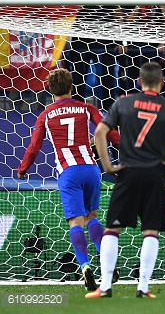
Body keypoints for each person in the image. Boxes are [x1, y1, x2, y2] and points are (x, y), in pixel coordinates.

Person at [88, 62, 165, 299]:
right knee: (151, 231)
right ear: (162, 83)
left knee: (112, 229)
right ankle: (143, 287)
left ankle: (105, 286)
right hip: (156, 174)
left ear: (139, 82)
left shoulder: (123, 103)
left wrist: (107, 166)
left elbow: (99, 133)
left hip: (127, 173)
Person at [17, 68, 121, 292]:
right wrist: (128, 147)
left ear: (50, 89)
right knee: (92, 217)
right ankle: (106, 261)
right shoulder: (87, 108)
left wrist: (23, 168)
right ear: (72, 86)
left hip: (69, 172)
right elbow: (108, 132)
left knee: (76, 223)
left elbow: (35, 146)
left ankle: (84, 267)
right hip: (92, 169)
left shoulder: (45, 115)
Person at [65, 0, 119, 111]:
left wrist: (120, 41)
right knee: (77, 79)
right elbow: (65, 17)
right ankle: (78, 110)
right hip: (79, 42)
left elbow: (118, 16)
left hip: (104, 41)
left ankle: (109, 112)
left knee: (107, 78)